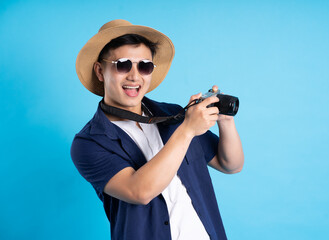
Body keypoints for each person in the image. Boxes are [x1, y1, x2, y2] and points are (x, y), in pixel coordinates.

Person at [71, 19, 244, 240]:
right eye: (123, 65)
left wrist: (225, 120)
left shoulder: (173, 115)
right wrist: (187, 129)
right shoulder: (88, 143)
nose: (134, 76)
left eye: (144, 66)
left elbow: (231, 164)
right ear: (99, 71)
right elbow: (139, 191)